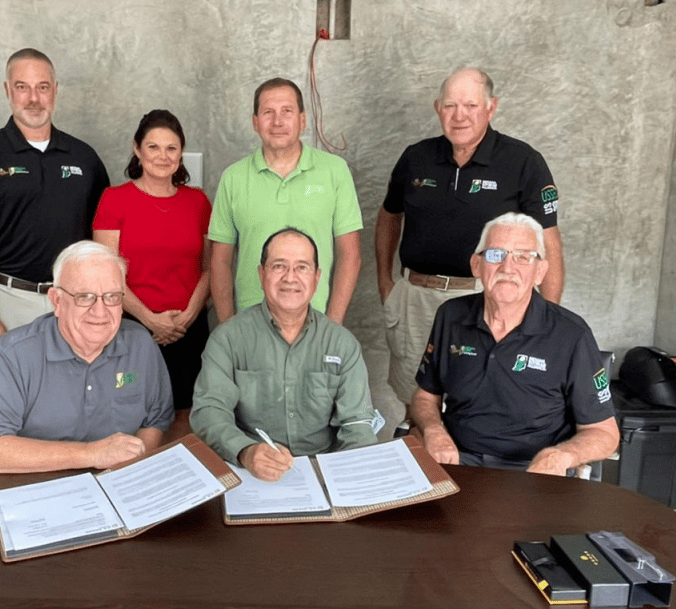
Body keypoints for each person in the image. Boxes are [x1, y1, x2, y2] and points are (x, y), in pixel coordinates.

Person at [374, 67, 565, 432]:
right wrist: (387, 284)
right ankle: (422, 485)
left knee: (481, 409)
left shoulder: (524, 163)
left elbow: (549, 244)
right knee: (417, 408)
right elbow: (388, 216)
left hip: (486, 301)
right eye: (450, 106)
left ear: (491, 108)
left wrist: (545, 321)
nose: (459, 115)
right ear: (437, 108)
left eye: (470, 105)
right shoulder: (416, 158)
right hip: (416, 297)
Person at [409, 213, 618, 476]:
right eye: (496, 255)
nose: (507, 268)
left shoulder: (571, 334)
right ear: (476, 265)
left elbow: (604, 432)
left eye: (523, 257)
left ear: (540, 271)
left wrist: (561, 456)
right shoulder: (450, 316)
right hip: (457, 461)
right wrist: (433, 430)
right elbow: (425, 395)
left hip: (532, 471)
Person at [0, 48, 110, 355]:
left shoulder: (84, 158)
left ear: (55, 91)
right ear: (7, 91)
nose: (33, 98)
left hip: (73, 301)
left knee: (76, 395)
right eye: (22, 87)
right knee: (16, 399)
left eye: (42, 87)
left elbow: (102, 242)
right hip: (8, 301)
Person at [0, 241, 174, 474]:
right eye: (85, 297)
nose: (100, 311)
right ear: (56, 300)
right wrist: (92, 454)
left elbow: (155, 421)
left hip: (114, 484)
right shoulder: (10, 356)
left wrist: (128, 468)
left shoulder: (140, 345)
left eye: (112, 296)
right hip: (33, 487)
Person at [191, 228, 377, 482]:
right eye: (279, 266)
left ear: (317, 278)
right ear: (261, 273)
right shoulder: (228, 339)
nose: (290, 278)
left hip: (324, 471)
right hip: (250, 472)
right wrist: (245, 451)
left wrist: (351, 476)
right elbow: (208, 412)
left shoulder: (342, 344)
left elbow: (357, 425)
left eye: (302, 267)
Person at [92, 110, 211, 441]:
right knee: (131, 406)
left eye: (171, 148)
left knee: (186, 414)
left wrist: (186, 317)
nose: (163, 156)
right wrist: (149, 319)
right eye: (154, 147)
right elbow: (106, 272)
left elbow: (210, 268)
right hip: (131, 332)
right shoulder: (114, 200)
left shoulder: (198, 202)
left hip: (188, 332)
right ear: (137, 149)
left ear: (181, 153)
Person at [209, 78, 362, 325]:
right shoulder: (233, 178)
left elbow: (350, 255)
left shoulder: (335, 171)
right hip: (251, 325)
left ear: (302, 120)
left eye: (287, 111)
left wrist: (332, 325)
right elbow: (220, 261)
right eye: (268, 112)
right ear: (255, 122)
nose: (277, 122)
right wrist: (229, 329)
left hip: (316, 322)